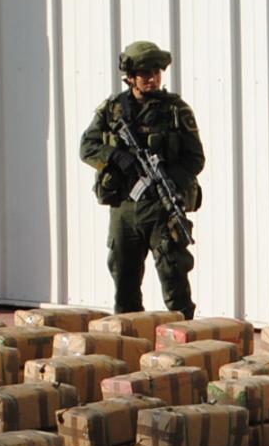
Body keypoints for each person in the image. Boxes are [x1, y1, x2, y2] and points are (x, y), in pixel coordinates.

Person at [78, 40, 206, 316]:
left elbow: (195, 159)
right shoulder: (112, 110)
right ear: (130, 77)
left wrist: (167, 179)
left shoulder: (175, 110)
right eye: (146, 73)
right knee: (124, 282)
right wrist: (116, 157)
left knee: (174, 280)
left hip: (160, 209)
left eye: (157, 72)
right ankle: (129, 343)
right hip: (124, 208)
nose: (153, 78)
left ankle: (184, 341)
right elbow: (87, 148)